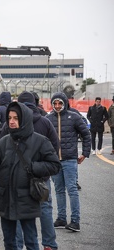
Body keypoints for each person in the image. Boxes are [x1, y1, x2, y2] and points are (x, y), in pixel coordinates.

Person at [0, 101, 61, 250]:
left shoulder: (40, 141)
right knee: (9, 242)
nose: (11, 121)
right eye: (9, 118)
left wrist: (32, 167)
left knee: (30, 241)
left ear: (24, 119)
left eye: (16, 118)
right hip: (6, 199)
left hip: (27, 199)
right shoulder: (4, 141)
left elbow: (55, 165)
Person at [0, 91, 60, 250]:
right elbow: (54, 147)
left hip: (17, 178)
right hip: (40, 178)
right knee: (45, 208)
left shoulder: (8, 124)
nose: (13, 120)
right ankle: (49, 244)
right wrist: (40, 169)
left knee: (17, 213)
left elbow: (0, 149)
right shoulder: (45, 122)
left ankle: (18, 245)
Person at [46, 92, 91, 232]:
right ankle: (61, 218)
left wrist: (85, 153)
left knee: (72, 189)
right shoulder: (48, 119)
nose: (58, 106)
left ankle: (75, 221)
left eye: (60, 103)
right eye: (55, 103)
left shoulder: (74, 117)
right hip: (55, 161)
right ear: (52, 104)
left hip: (70, 159)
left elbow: (86, 134)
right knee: (58, 190)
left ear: (65, 103)